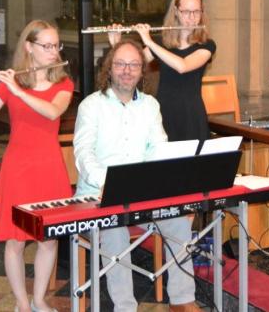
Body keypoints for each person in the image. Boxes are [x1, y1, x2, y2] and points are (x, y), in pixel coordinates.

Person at [73, 40, 201, 312]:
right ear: (109, 69)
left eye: (133, 65)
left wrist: (155, 181)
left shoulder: (150, 106)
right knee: (114, 228)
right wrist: (106, 182)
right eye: (120, 64)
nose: (127, 71)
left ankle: (182, 300)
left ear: (143, 71)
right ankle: (125, 307)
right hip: (97, 196)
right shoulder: (91, 106)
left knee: (178, 222)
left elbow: (159, 147)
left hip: (141, 196)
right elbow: (83, 154)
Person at [0, 20, 73, 312]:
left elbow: (52, 112)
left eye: (56, 45)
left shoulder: (63, 83)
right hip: (18, 168)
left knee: (48, 240)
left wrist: (19, 90)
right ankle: (22, 302)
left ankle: (39, 299)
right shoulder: (11, 83)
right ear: (29, 47)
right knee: (15, 241)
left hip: (49, 166)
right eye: (47, 46)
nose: (54, 51)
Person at [109, 0, 216, 146]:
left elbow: (182, 66)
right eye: (186, 12)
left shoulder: (207, 45)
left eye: (196, 12)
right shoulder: (162, 44)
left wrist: (149, 42)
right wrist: (116, 43)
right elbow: (132, 65)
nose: (192, 18)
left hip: (191, 115)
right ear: (176, 12)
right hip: (163, 111)